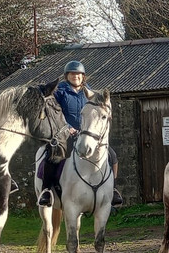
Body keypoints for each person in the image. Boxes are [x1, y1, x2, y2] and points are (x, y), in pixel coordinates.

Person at [38, 60, 123, 209]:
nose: (75, 76)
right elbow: (56, 113)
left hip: (87, 134)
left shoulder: (89, 93)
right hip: (65, 132)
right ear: (67, 76)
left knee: (112, 156)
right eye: (72, 74)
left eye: (78, 74)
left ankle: (113, 189)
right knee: (53, 155)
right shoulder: (60, 92)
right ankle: (46, 191)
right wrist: (68, 128)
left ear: (83, 76)